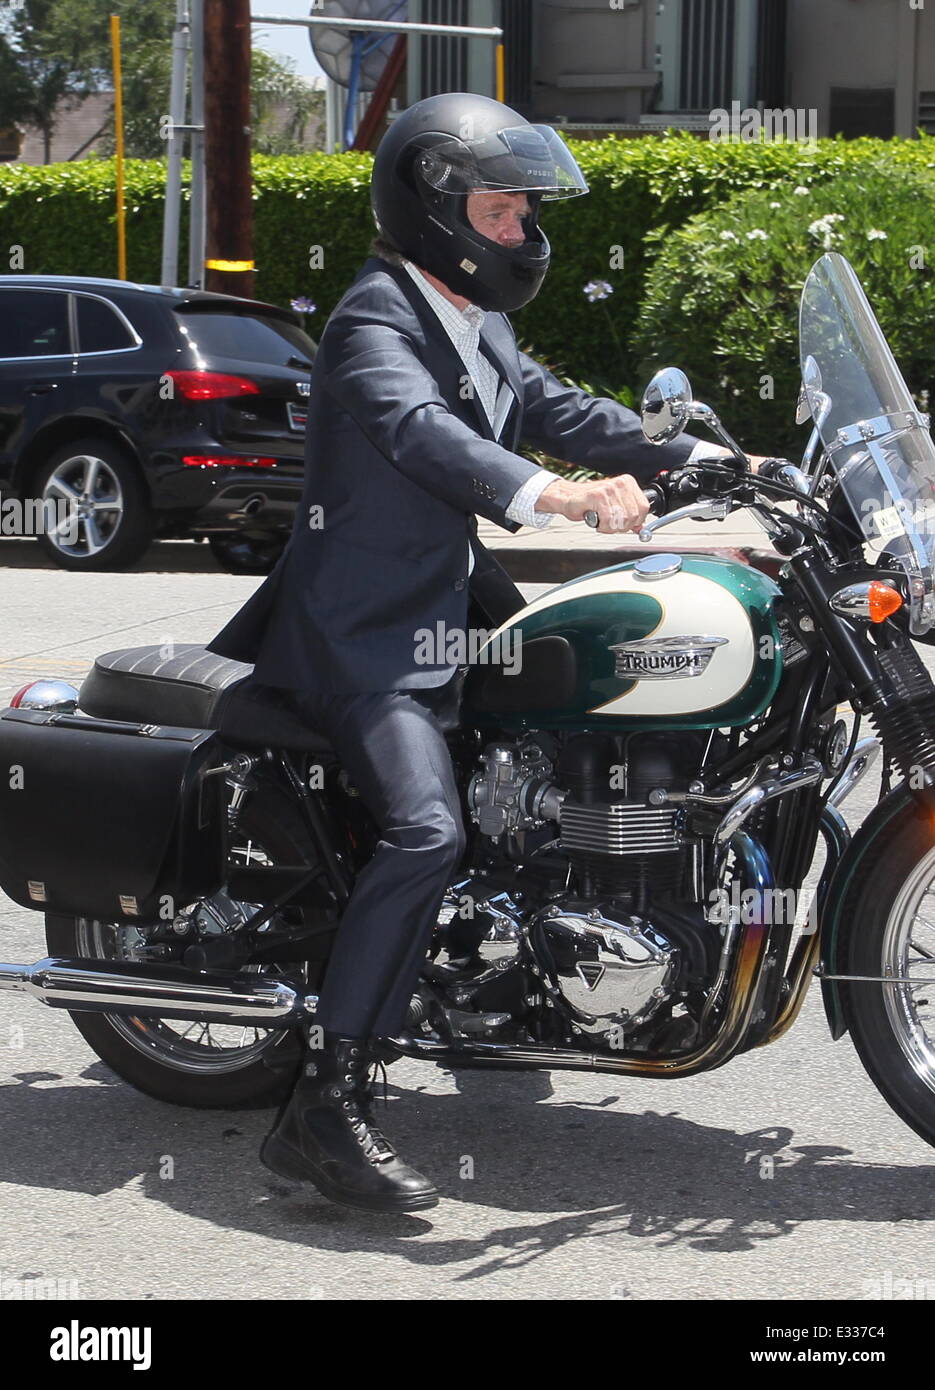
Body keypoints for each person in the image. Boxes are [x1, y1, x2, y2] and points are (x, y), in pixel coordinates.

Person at [208, 92, 756, 1214]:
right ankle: (322, 1106)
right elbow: (423, 433)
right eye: (502, 211)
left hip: (448, 613)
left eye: (522, 211)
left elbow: (556, 404)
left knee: (552, 766)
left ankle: (504, 968)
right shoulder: (373, 319)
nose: (522, 233)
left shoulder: (474, 316)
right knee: (423, 830)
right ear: (436, 210)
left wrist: (709, 457)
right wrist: (550, 494)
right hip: (362, 640)